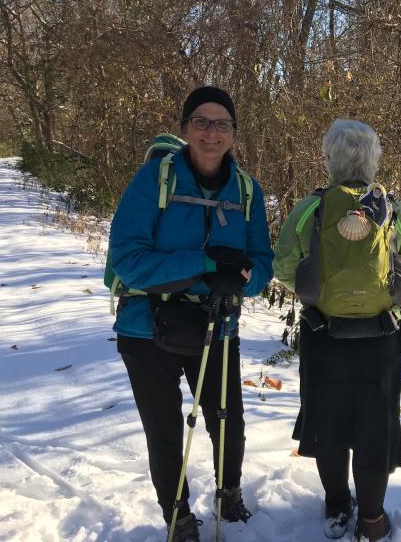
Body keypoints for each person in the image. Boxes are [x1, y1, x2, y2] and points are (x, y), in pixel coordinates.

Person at [108, 86, 274, 542]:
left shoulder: (246, 189)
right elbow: (126, 258)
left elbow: (263, 264)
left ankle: (229, 492)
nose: (211, 132)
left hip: (217, 324)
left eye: (222, 123)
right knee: (163, 428)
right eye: (201, 121)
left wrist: (238, 279)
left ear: (234, 134)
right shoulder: (153, 181)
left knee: (228, 420)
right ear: (184, 129)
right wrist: (204, 265)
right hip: (146, 327)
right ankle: (177, 515)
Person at [273, 119, 401, 542]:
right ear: (373, 159)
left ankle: (337, 506)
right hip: (379, 341)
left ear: (329, 159)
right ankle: (373, 519)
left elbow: (284, 266)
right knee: (373, 430)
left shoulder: (310, 208)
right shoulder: (393, 210)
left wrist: (318, 290)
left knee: (327, 424)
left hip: (323, 337)